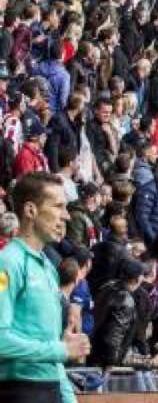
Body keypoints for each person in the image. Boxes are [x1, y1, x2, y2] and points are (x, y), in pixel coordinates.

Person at [0, 172, 92, 403]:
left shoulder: (49, 268)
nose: (66, 216)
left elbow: (53, 346)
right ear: (30, 211)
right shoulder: (8, 262)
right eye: (59, 206)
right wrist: (61, 350)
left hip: (49, 388)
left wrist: (68, 398)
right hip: (18, 390)